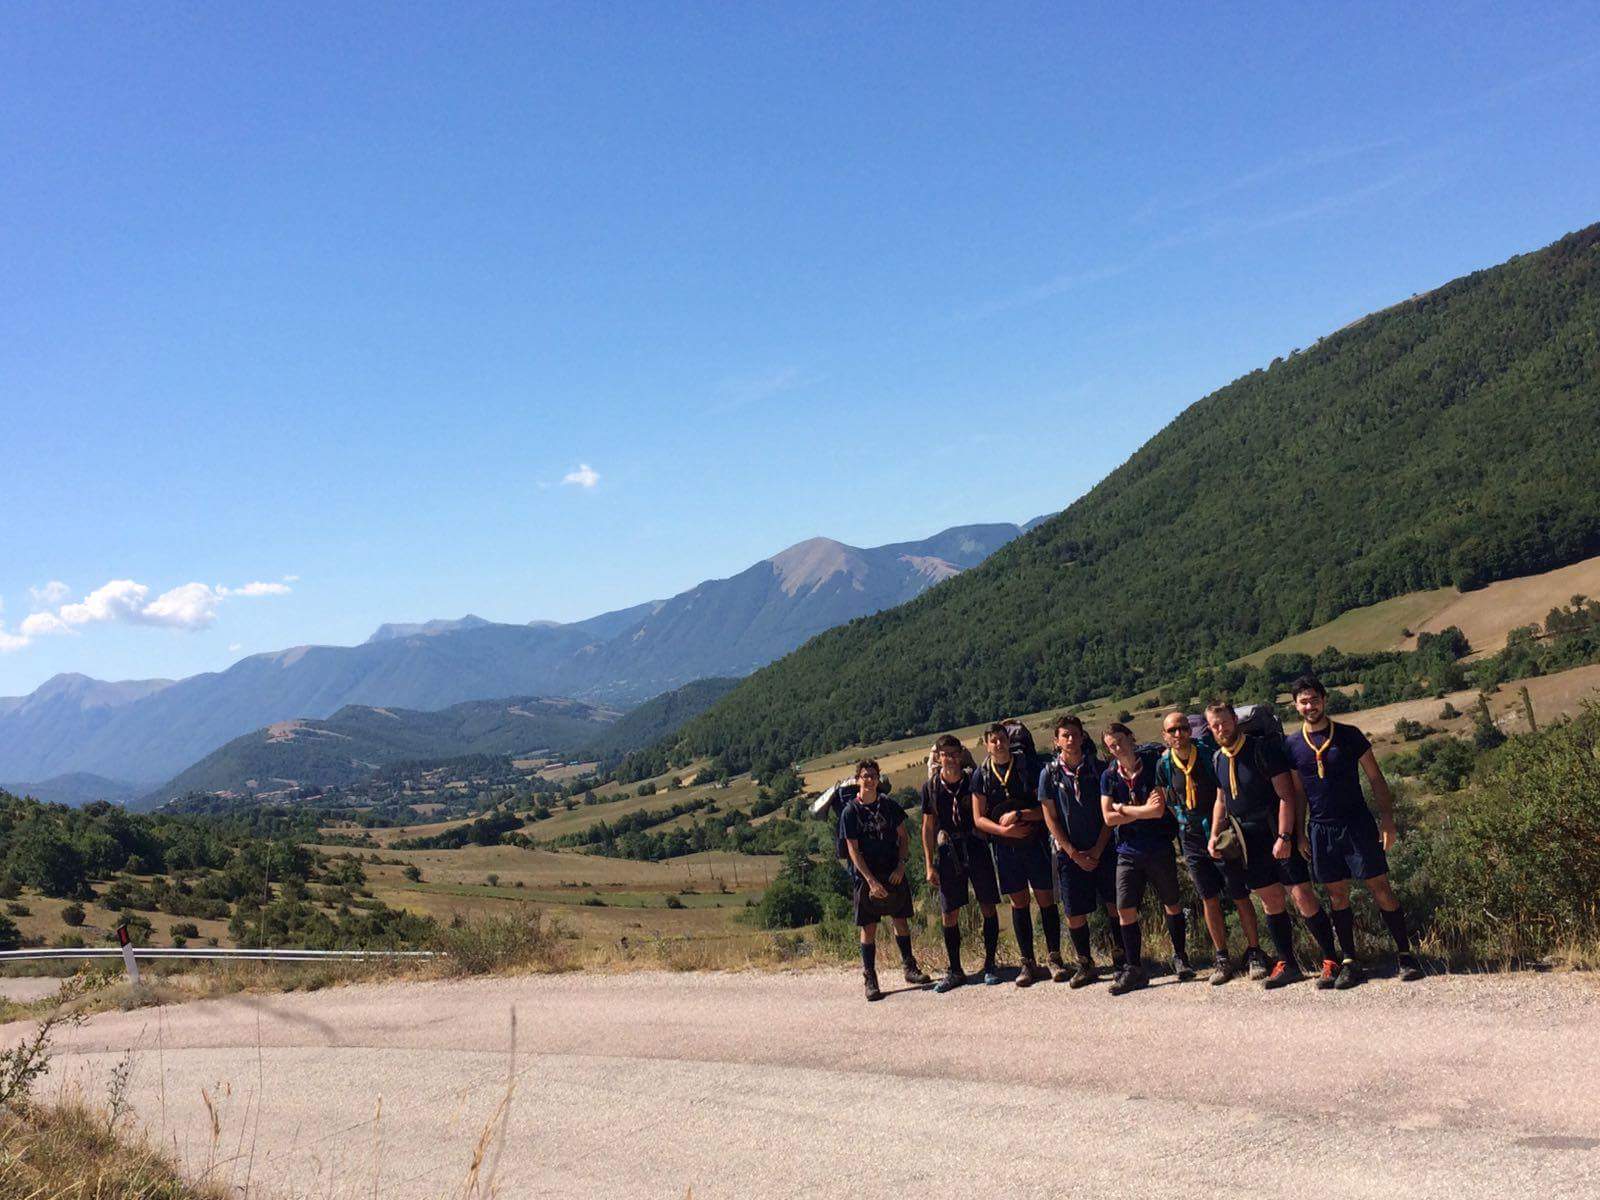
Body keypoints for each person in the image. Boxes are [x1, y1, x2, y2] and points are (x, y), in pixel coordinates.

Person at [1284, 676, 1424, 985]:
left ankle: (1405, 955)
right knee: (1337, 895)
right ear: (1295, 706)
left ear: (1324, 700)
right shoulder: (1292, 745)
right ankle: (1349, 961)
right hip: (1321, 829)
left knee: (1380, 887)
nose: (1310, 706)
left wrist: (1387, 820)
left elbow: (1375, 778)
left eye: (1314, 699)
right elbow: (1298, 792)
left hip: (1357, 824)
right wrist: (1300, 833)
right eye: (1303, 701)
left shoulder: (1350, 735)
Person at [1205, 700, 1342, 989]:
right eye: (1215, 725)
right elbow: (1221, 800)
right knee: (1270, 901)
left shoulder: (1261, 749)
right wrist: (1214, 835)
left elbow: (1285, 795)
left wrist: (1284, 837)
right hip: (1246, 840)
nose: (1221, 729)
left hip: (1275, 832)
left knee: (1302, 896)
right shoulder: (1218, 758)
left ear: (1234, 721)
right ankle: (1287, 963)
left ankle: (1331, 959)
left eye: (1225, 722)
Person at [1155, 710, 1267, 984]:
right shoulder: (1164, 764)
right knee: (1209, 897)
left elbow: (1223, 792)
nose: (1179, 734)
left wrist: (1218, 829)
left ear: (1191, 730)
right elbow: (1166, 798)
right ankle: (1222, 958)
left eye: (1183, 728)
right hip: (1191, 837)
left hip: (1220, 832)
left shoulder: (1207, 754)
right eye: (1173, 730)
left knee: (1239, 893)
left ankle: (1255, 952)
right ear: (1164, 735)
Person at [1099, 723, 1190, 994]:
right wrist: (1138, 810)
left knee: (1171, 903)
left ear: (1131, 738)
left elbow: (1158, 811)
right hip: (1127, 851)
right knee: (1125, 910)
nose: (1117, 748)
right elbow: (1108, 818)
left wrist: (1122, 808)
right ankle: (1135, 968)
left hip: (1158, 846)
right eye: (1111, 745)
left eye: (1120, 741)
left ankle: (1180, 957)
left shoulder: (1152, 765)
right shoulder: (1109, 776)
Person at [971, 724, 1063, 986]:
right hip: (1005, 848)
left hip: (1034, 843)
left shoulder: (1029, 767)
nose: (999, 744)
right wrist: (1004, 830)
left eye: (1002, 739)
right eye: (993, 741)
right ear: (986, 745)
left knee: (1045, 899)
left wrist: (1020, 815)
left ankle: (1054, 959)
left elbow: (1046, 810)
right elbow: (978, 818)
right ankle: (1027, 963)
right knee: (1018, 902)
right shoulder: (981, 775)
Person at [1037, 714, 1125, 987]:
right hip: (1069, 854)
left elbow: (1109, 813)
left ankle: (1122, 959)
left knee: (1115, 904)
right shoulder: (1049, 774)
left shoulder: (1099, 769)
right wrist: (1073, 853)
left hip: (1103, 848)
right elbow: (1050, 817)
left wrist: (1097, 850)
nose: (1071, 739)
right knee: (1074, 912)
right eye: (1065, 735)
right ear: (1056, 740)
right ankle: (1085, 964)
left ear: (1083, 736)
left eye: (1075, 734)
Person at [840, 759, 931, 1001]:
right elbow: (852, 850)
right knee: (868, 927)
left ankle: (910, 968)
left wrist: (901, 866)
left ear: (878, 779)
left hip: (892, 871)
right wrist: (870, 881)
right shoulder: (851, 812)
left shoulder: (889, 805)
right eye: (865, 776)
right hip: (866, 877)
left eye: (873, 775)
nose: (869, 780)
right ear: (858, 779)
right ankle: (870, 978)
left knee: (901, 920)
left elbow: (904, 837)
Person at [921, 734, 1003, 991]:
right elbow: (928, 827)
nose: (950, 759)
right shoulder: (931, 787)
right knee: (949, 913)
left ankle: (990, 964)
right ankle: (955, 970)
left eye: (954, 753)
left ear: (961, 754)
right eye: (945, 754)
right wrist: (929, 864)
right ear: (938, 757)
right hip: (948, 852)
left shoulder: (973, 780)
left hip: (976, 845)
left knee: (987, 905)